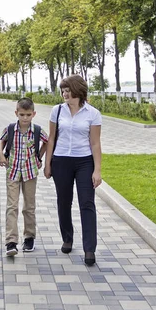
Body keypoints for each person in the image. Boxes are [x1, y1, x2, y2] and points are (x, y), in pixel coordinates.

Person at [44, 74, 102, 266]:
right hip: (61, 161)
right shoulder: (57, 111)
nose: (64, 94)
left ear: (78, 90)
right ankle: (67, 238)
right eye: (63, 90)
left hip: (84, 162)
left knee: (87, 203)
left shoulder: (92, 113)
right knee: (64, 202)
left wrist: (97, 170)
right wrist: (47, 163)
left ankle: (89, 249)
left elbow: (95, 143)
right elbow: (51, 138)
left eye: (67, 90)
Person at [0, 98, 48, 257]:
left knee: (29, 206)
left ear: (34, 114)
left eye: (28, 114)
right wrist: (0, 154)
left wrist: (39, 157)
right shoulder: (11, 129)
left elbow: (47, 142)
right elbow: (2, 142)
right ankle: (11, 241)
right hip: (12, 171)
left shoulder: (38, 130)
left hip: (30, 172)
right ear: (16, 113)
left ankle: (29, 237)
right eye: (22, 114)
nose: (25, 118)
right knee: (12, 206)